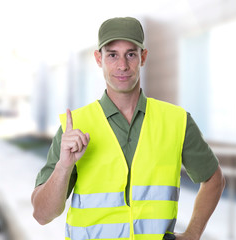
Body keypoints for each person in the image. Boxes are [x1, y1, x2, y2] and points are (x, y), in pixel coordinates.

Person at [31, 17, 225, 240]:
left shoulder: (176, 121)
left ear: (143, 57)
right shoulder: (74, 126)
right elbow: (42, 214)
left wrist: (192, 234)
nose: (122, 65)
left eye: (131, 54)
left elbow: (213, 179)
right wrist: (64, 167)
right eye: (112, 55)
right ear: (98, 58)